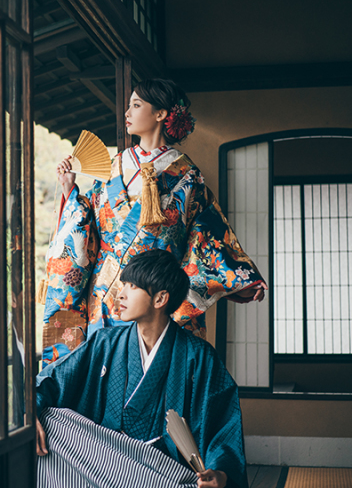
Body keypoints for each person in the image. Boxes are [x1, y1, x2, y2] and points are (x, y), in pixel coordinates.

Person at [41, 78, 266, 366]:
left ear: (161, 114)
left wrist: (238, 278)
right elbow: (89, 229)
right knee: (101, 377)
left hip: (158, 297)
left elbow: (205, 237)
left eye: (136, 105)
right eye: (128, 106)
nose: (127, 113)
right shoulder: (113, 167)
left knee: (152, 377)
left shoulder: (187, 176)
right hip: (107, 293)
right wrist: (70, 190)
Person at [36, 249, 247, 488]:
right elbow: (55, 380)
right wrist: (31, 409)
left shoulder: (198, 356)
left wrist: (221, 472)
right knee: (51, 418)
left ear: (160, 299)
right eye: (123, 284)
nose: (121, 294)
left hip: (161, 472)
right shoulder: (106, 342)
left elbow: (222, 425)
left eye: (132, 287)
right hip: (106, 461)